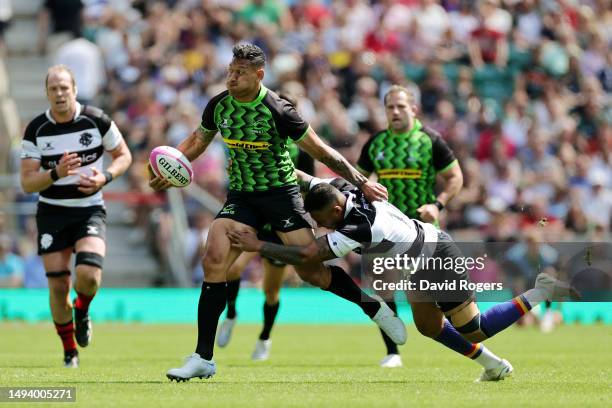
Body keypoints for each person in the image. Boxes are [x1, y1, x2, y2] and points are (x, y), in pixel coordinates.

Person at [148, 43, 404, 382]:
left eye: (240, 72)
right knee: (214, 260)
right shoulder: (218, 105)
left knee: (312, 271)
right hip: (241, 197)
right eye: (230, 70)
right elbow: (197, 140)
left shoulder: (279, 110)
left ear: (259, 75)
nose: (232, 77)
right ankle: (202, 357)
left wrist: (362, 182)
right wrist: (170, 166)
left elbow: (323, 151)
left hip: (281, 196)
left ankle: (371, 306)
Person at [228, 173, 576, 381]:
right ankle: (493, 365)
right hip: (416, 262)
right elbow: (309, 179)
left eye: (323, 221)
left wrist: (257, 244)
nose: (321, 227)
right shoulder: (343, 189)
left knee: (475, 327)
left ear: (336, 211)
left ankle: (539, 293)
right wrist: (279, 170)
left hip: (437, 256)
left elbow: (307, 255)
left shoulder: (356, 227)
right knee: (428, 327)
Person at [20, 65, 132, 367]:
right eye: (53, 89)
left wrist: (104, 178)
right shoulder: (36, 130)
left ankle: (81, 310)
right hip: (52, 213)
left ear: (74, 90)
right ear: (46, 93)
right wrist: (56, 172)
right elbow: (27, 182)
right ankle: (70, 351)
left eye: (64, 88)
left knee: (89, 275)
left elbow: (124, 156)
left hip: (89, 209)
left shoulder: (97, 120)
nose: (59, 94)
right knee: (58, 285)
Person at [357, 85, 463, 367]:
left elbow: (455, 177)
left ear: (413, 109)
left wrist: (437, 205)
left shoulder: (430, 140)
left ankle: (466, 338)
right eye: (390, 107)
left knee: (433, 299)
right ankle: (392, 351)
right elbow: (357, 181)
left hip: (422, 232)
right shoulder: (376, 143)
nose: (395, 111)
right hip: (387, 229)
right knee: (383, 289)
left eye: (400, 106)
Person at [215, 92, 315, 361]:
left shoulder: (302, 150)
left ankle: (265, 337)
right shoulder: (257, 139)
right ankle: (231, 314)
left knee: (270, 291)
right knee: (232, 268)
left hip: (281, 225)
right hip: (256, 218)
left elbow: (307, 190)